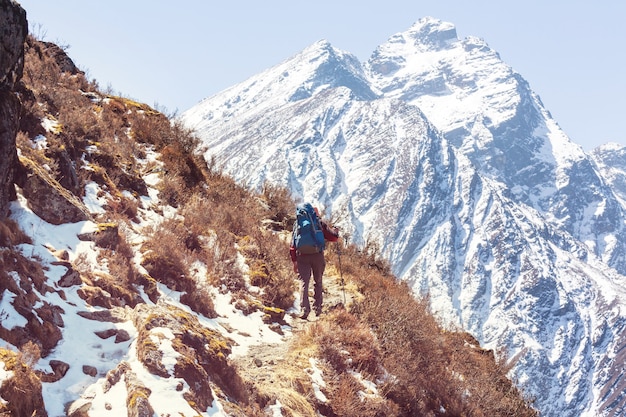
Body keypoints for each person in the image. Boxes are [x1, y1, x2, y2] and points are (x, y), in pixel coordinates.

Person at [290, 204, 339, 319]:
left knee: (304, 282)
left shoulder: (297, 224)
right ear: (314, 213)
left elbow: (292, 245)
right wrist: (336, 231)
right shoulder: (318, 223)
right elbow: (333, 238)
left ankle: (304, 309)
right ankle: (317, 308)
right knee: (318, 281)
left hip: (302, 256)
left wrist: (294, 262)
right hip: (317, 255)